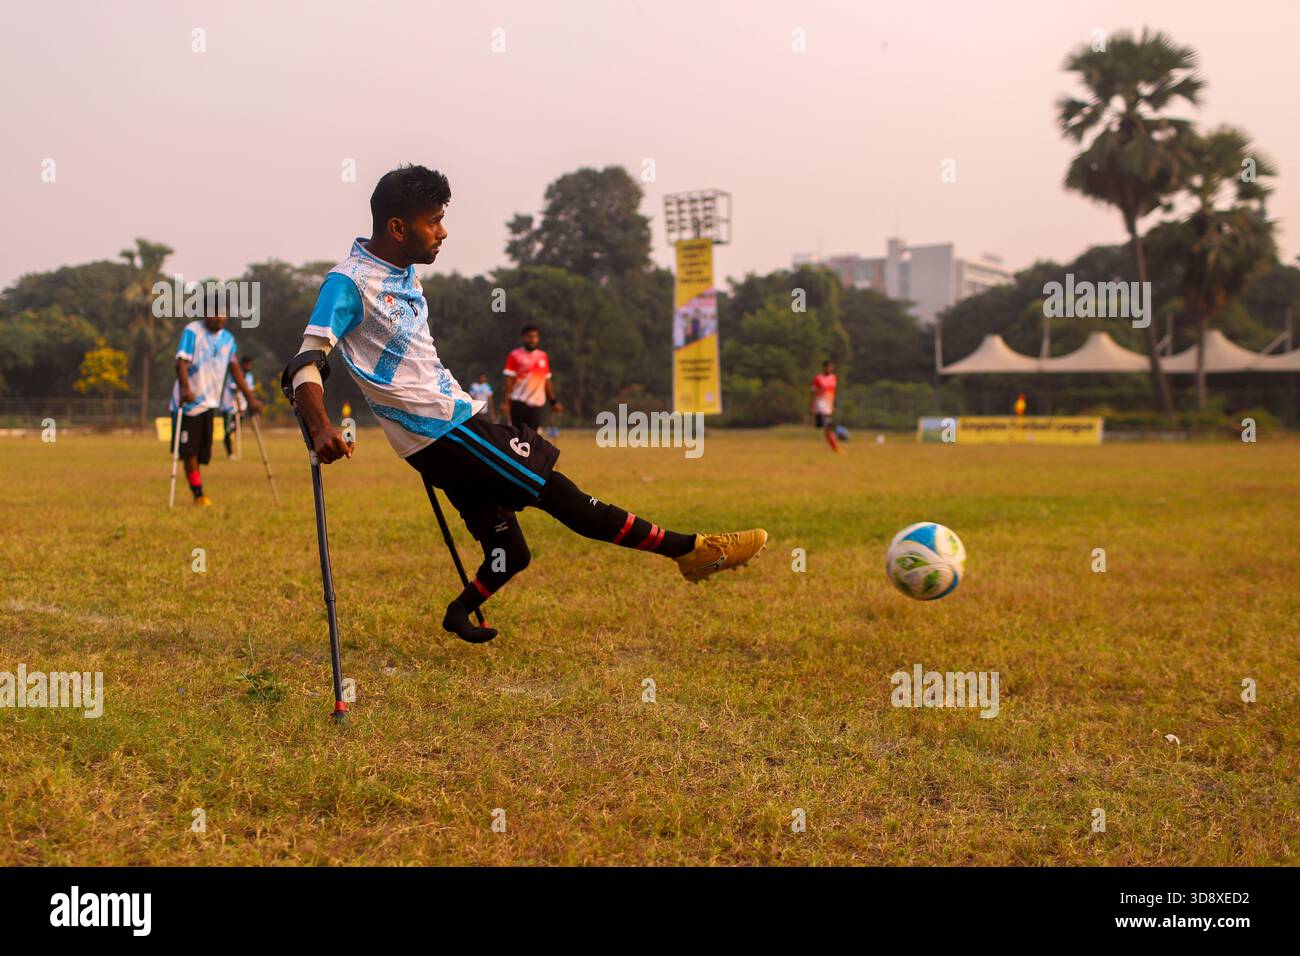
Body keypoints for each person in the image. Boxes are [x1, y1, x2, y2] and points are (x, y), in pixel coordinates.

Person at [285, 164, 767, 644]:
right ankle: (693, 550)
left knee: (508, 552)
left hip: (451, 427)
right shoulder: (347, 283)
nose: (443, 231)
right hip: (444, 432)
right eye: (433, 220)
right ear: (396, 227)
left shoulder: (403, 270)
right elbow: (305, 363)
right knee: (561, 495)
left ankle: (460, 612)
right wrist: (322, 425)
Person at [173, 296, 264, 505]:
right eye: (214, 313)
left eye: (222, 313)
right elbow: (180, 363)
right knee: (190, 452)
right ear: (204, 313)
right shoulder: (192, 332)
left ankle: (198, 490)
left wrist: (251, 399)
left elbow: (235, 370)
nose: (219, 318)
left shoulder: (228, 339)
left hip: (212, 402)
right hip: (190, 404)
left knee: (203, 454)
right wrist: (186, 389)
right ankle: (198, 494)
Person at [501, 325, 559, 431]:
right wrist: (505, 403)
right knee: (518, 436)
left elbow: (546, 380)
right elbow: (508, 381)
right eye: (529, 336)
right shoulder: (515, 355)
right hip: (518, 403)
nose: (532, 339)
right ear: (523, 338)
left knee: (534, 438)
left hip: (536, 405)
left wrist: (553, 402)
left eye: (535, 336)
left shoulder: (543, 356)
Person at [222, 355, 256, 458]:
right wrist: (238, 405)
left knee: (237, 429)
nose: (249, 366)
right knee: (228, 431)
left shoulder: (249, 376)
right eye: (247, 364)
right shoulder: (235, 374)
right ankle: (230, 453)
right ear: (242, 364)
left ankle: (233, 449)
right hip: (229, 406)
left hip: (241, 406)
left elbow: (250, 390)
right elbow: (235, 390)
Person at [811, 360, 840, 453]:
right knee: (828, 426)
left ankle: (834, 446)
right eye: (829, 367)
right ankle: (835, 447)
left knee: (828, 427)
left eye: (832, 367)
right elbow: (813, 393)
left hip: (829, 404)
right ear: (824, 367)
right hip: (820, 404)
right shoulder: (818, 378)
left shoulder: (833, 378)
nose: (831, 369)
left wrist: (833, 405)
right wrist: (812, 406)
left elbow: (833, 392)